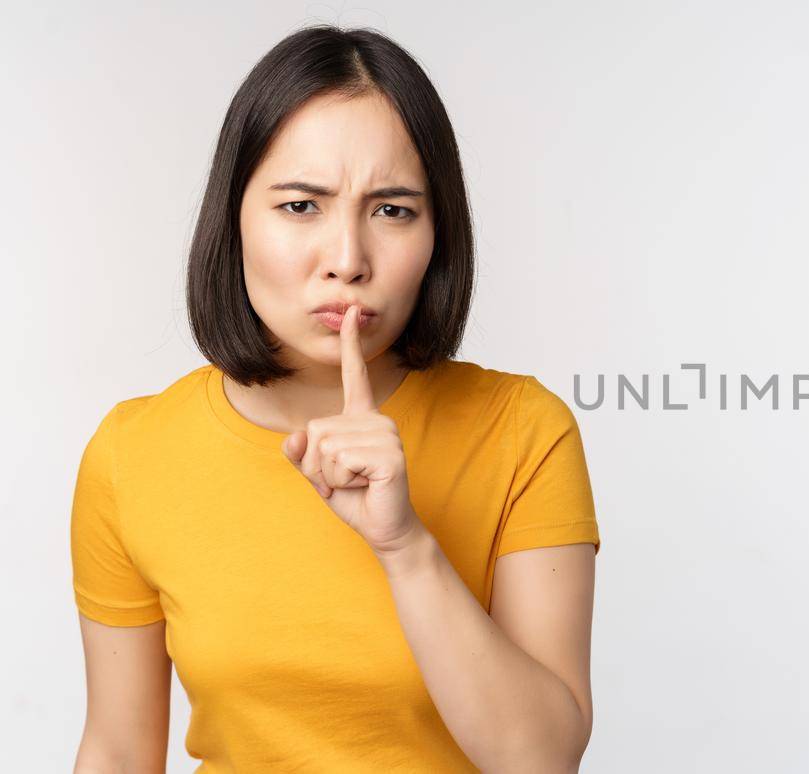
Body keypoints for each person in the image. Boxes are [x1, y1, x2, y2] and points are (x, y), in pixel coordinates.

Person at [68, 25, 600, 773]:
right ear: (235, 218)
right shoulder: (132, 453)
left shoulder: (522, 431)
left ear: (437, 233)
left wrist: (406, 548)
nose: (347, 261)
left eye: (392, 210)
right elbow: (119, 751)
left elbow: (541, 759)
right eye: (299, 206)